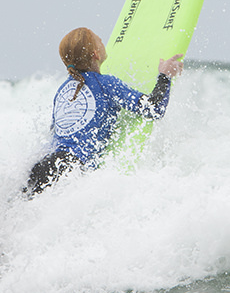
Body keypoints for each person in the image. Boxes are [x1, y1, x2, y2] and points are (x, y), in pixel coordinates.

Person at [25, 27, 184, 195]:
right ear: (96, 54)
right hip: (69, 170)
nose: (103, 42)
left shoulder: (62, 90)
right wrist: (165, 76)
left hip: (42, 166)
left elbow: (55, 131)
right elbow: (154, 108)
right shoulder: (106, 84)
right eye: (100, 40)